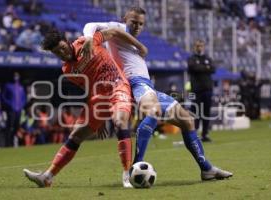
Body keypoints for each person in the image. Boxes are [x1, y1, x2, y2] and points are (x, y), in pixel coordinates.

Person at [83, 6, 232, 181]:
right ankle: (136, 165)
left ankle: (206, 169)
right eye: (134, 22)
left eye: (141, 24)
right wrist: (88, 39)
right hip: (135, 84)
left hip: (147, 86)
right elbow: (90, 24)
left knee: (187, 121)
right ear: (125, 19)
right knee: (153, 112)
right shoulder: (119, 28)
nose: (137, 27)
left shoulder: (127, 38)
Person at [23, 26, 149, 188]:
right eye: (57, 52)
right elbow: (89, 87)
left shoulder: (86, 41)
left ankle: (127, 175)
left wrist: (139, 46)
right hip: (98, 96)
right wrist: (100, 118)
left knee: (119, 122)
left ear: (67, 42)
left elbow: (115, 32)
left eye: (62, 48)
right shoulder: (67, 70)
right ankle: (47, 177)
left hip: (118, 85)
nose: (62, 53)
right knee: (76, 135)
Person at [188, 39, 215, 142]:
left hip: (207, 90)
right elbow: (193, 67)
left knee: (206, 112)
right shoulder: (191, 59)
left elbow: (213, 69)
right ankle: (194, 135)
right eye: (197, 46)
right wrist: (205, 68)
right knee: (195, 112)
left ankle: (205, 134)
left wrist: (200, 68)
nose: (199, 48)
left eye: (201, 46)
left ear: (204, 47)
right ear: (194, 47)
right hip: (195, 91)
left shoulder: (208, 58)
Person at [1, 72, 26, 147]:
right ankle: (8, 143)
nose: (16, 77)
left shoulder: (21, 87)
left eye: (17, 76)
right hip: (11, 110)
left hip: (18, 110)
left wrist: (22, 105)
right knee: (10, 127)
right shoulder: (8, 85)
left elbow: (24, 98)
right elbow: (3, 97)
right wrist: (9, 104)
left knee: (17, 127)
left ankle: (15, 142)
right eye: (14, 75)